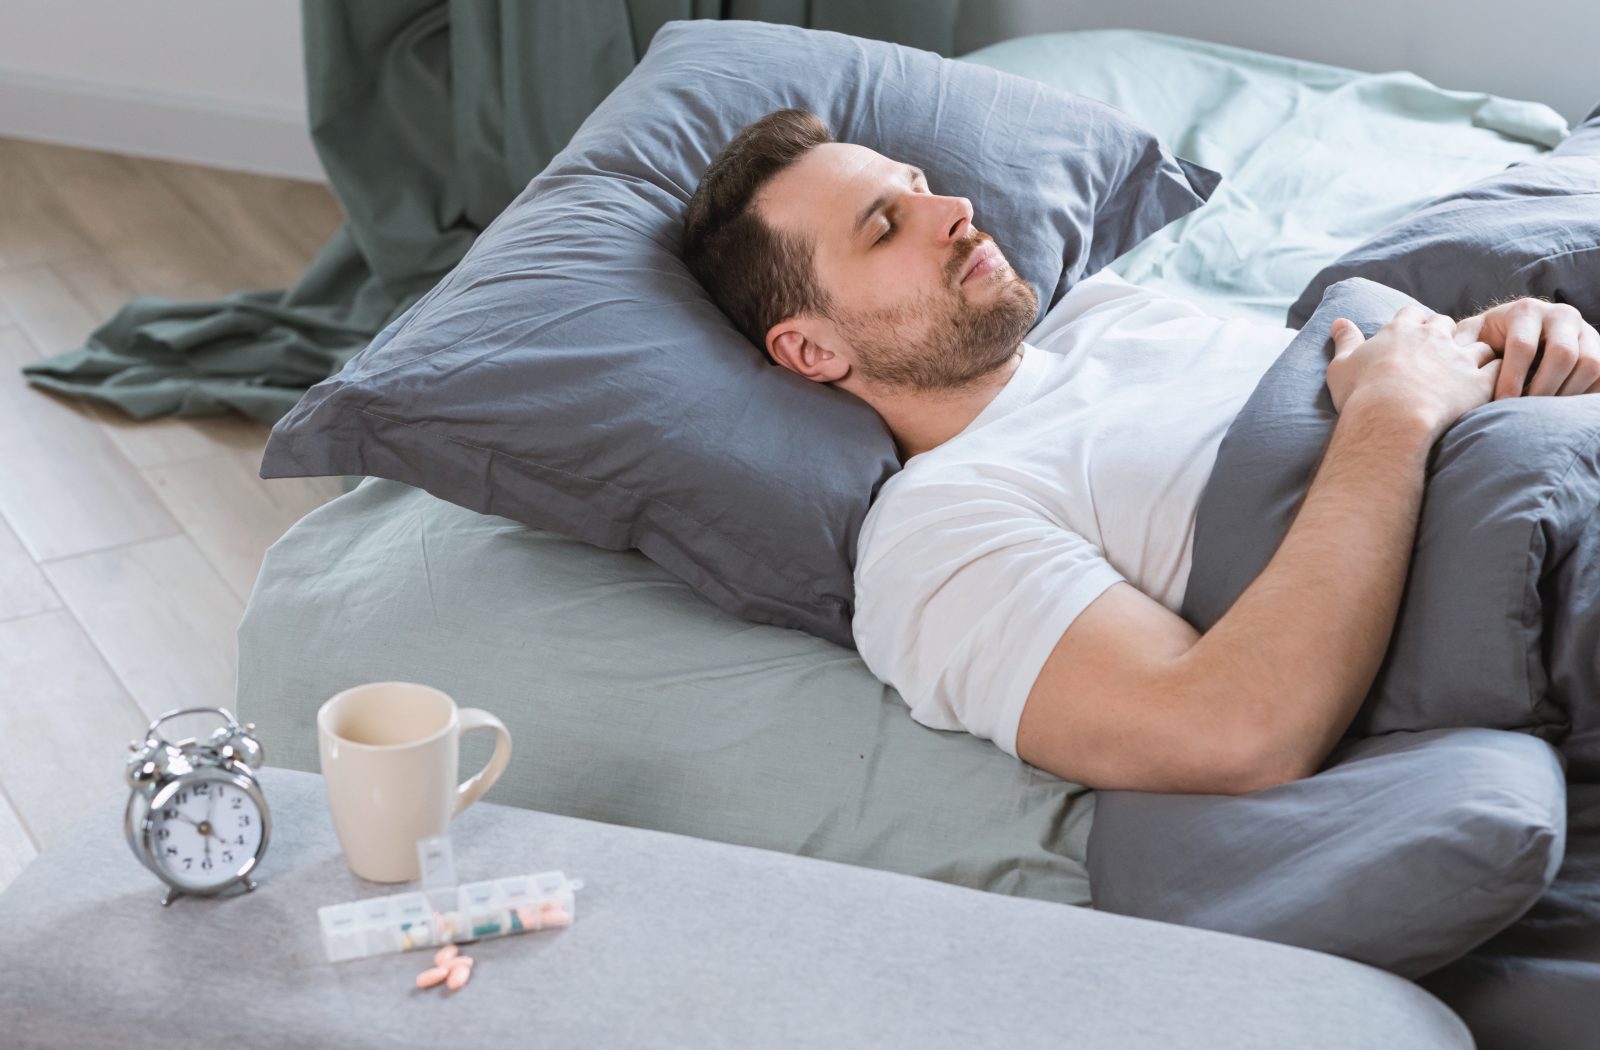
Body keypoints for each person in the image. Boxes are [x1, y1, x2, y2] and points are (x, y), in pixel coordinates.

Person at [681, 108, 1600, 796]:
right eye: (885, 227)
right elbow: (1228, 735)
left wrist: (1507, 335)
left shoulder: (1108, 314)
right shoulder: (936, 534)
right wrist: (1394, 417)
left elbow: (1358, 377)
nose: (956, 211)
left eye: (923, 187)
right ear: (813, 350)